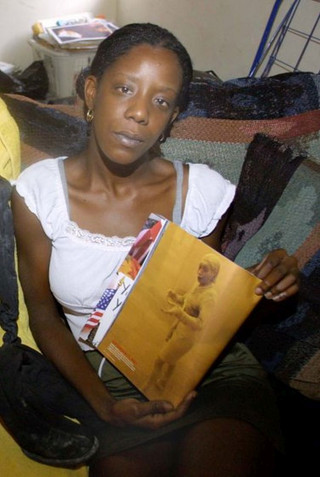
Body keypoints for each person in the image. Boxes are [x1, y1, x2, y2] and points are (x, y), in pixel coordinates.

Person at [12, 23, 300, 477]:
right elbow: (43, 314)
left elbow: (202, 309)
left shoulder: (201, 192)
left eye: (161, 101)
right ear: (91, 90)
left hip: (210, 376)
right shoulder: (39, 193)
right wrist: (103, 404)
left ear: (172, 117)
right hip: (104, 378)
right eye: (124, 88)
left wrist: (267, 286)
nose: (139, 113)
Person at [145, 254, 220, 392]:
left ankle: (147, 386)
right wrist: (176, 297)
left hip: (187, 338)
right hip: (178, 329)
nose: (199, 272)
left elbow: (200, 325)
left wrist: (179, 313)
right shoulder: (198, 284)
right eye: (200, 267)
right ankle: (163, 383)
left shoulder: (210, 297)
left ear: (214, 273)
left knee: (160, 359)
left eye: (205, 269)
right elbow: (186, 301)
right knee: (172, 360)